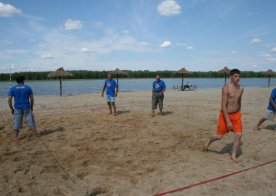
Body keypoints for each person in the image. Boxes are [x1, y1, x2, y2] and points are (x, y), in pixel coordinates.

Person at [203, 69, 244, 163]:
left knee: (238, 135)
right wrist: (228, 121)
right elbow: (223, 106)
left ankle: (233, 156)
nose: (238, 78)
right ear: (231, 77)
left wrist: (239, 111)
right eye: (235, 76)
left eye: (239, 76)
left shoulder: (241, 88)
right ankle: (209, 141)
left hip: (236, 115)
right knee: (219, 136)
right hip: (225, 114)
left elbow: (239, 101)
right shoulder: (226, 87)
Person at [8, 75, 37, 140]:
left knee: (16, 122)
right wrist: (31, 106)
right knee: (31, 121)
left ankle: (16, 137)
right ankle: (35, 135)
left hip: (17, 107)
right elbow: (32, 98)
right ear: (23, 80)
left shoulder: (12, 88)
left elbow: (9, 99)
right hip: (26, 107)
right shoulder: (28, 88)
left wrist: (11, 109)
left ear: (16, 81)